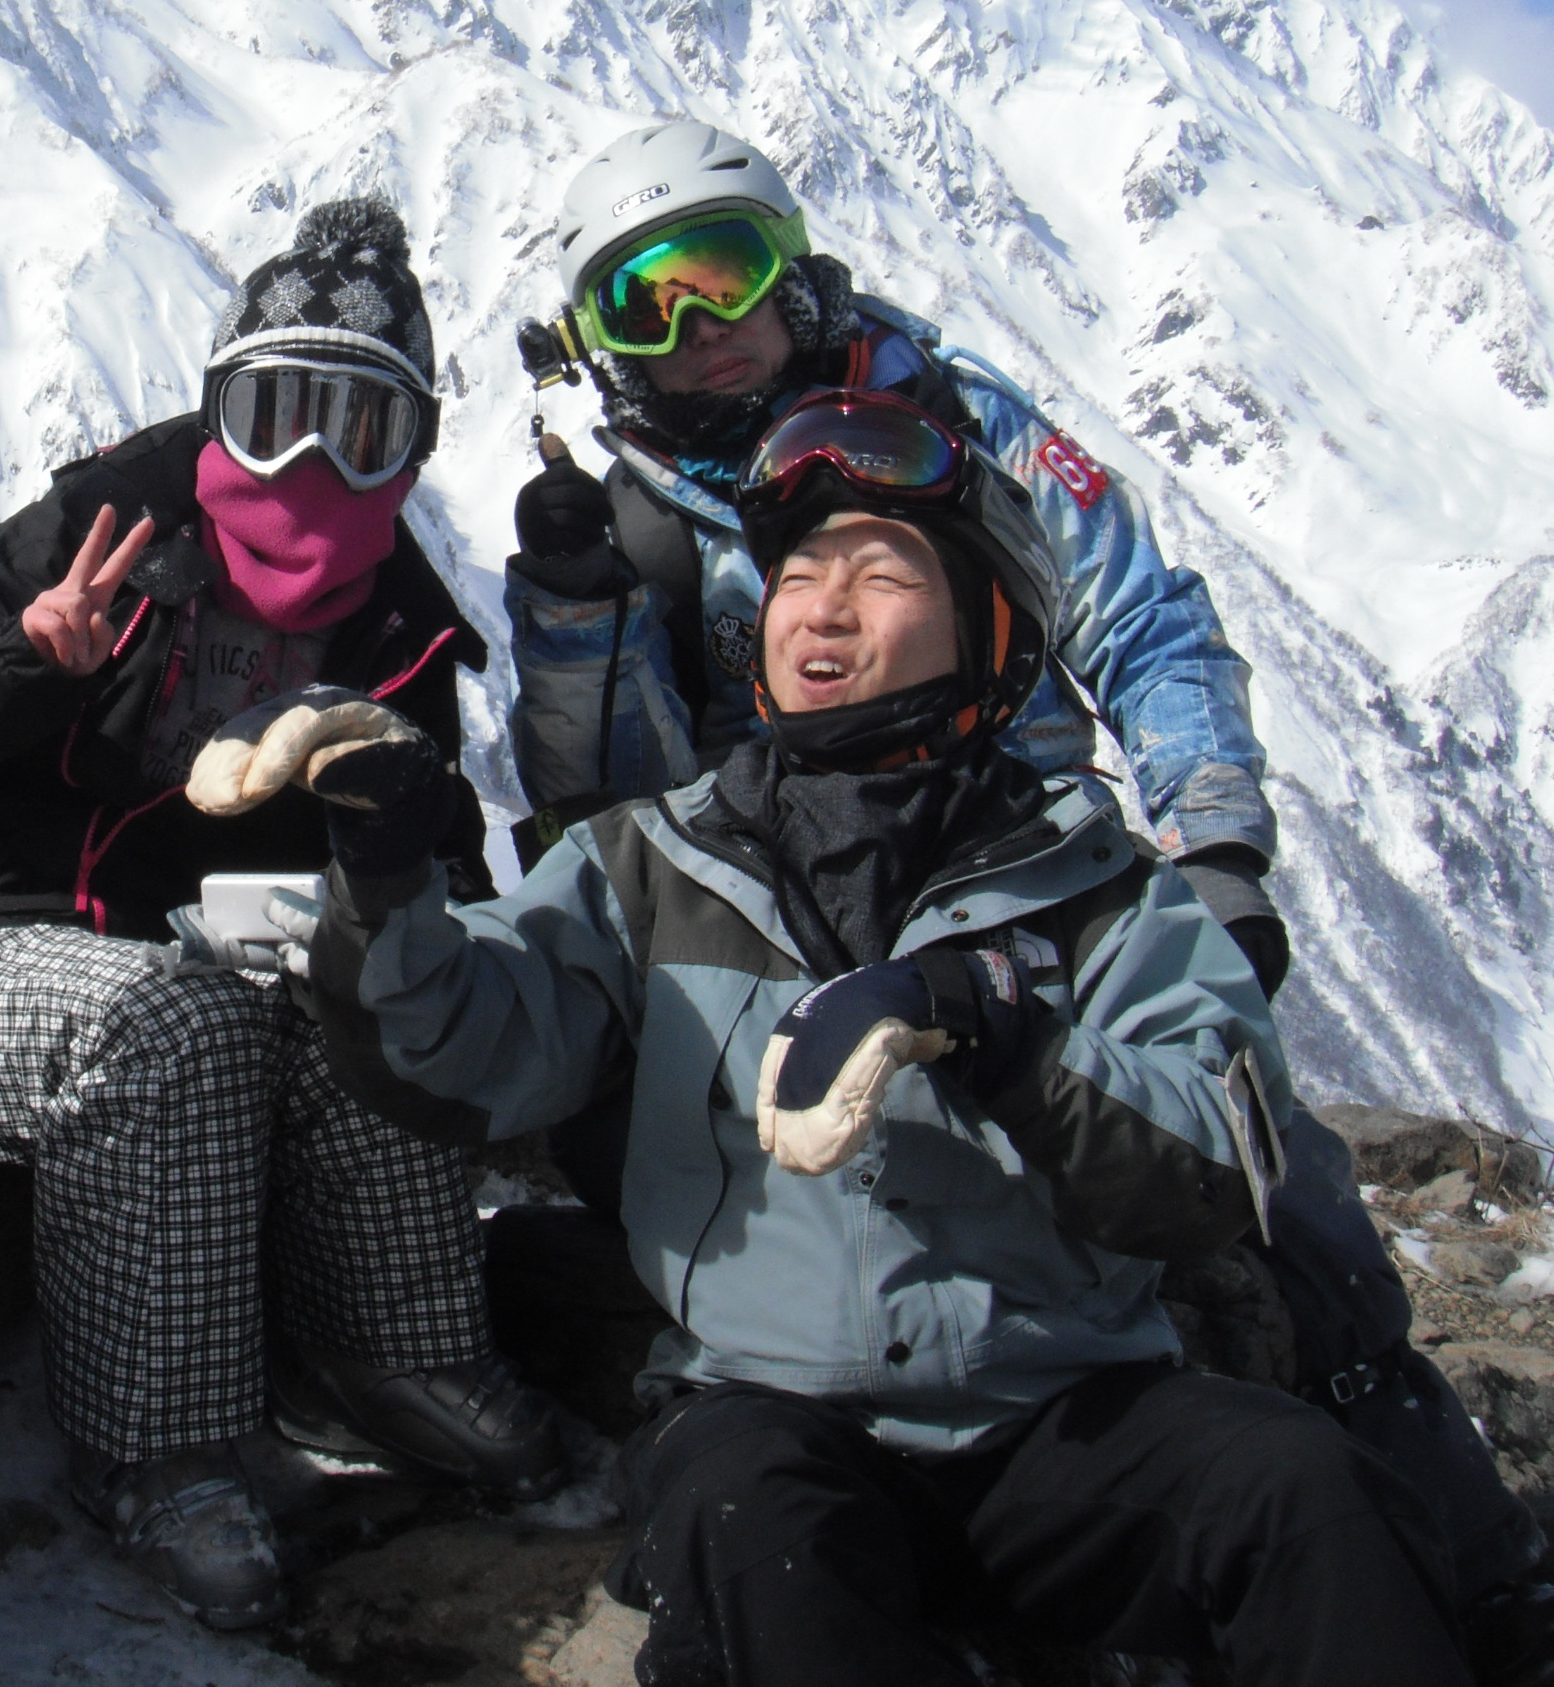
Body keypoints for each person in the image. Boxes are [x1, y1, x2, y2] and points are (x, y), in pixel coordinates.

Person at [507, 117, 1550, 1651]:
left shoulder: (953, 421)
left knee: (1284, 1203)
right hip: (770, 905)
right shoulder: (638, 516)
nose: (699, 328)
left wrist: (1215, 847)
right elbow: (603, 800)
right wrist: (573, 620)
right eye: (642, 304)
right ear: (598, 345)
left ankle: (1473, 1570)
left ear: (793, 271)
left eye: (721, 272)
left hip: (1024, 868)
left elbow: (1141, 620)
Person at [262, 389, 1473, 1684]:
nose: (821, 610)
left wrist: (1004, 1035)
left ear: (989, 629)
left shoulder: (1098, 887)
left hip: (1067, 1412)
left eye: (881, 577)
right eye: (795, 577)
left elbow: (1209, 1168)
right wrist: (383, 876)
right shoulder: (654, 865)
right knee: (756, 1524)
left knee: (1303, 1494)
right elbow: (461, 1051)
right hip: (770, 1411)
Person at [0, 197, 563, 1631]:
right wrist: (31, 663)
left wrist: (391, 861)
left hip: (216, 965)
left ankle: (388, 1352)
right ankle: (158, 1449)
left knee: (386, 980)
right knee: (171, 1029)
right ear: (215, 409)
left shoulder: (397, 626)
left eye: (359, 428)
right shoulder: (101, 529)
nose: (309, 464)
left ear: (412, 450)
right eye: (274, 413)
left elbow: (449, 873)